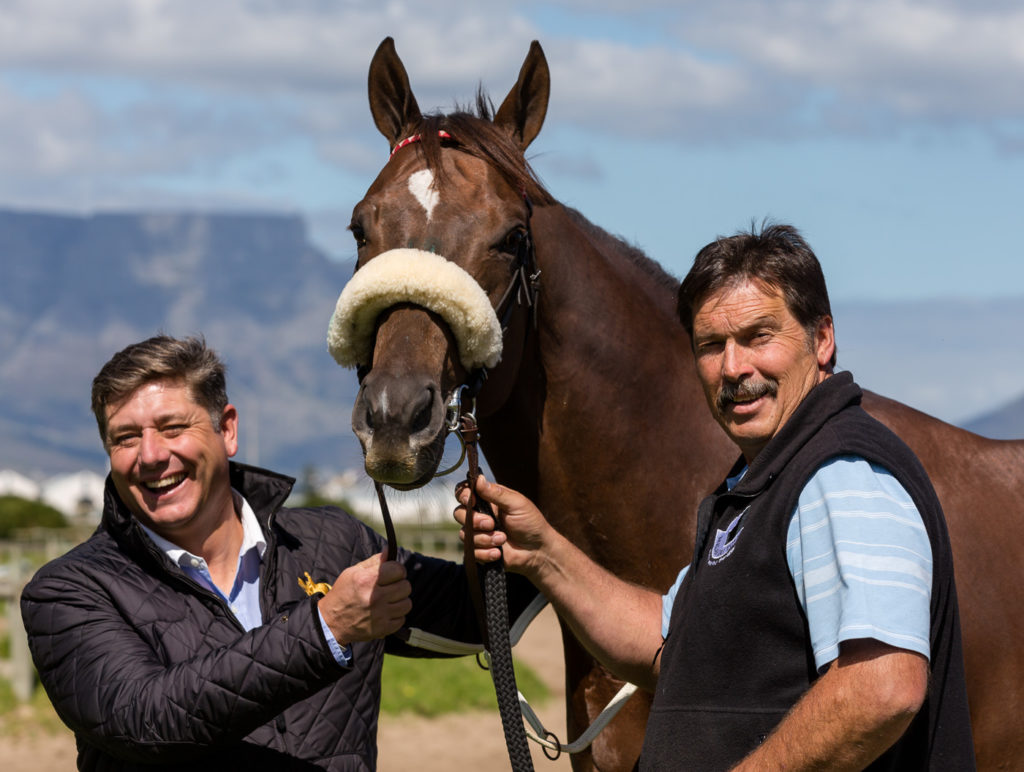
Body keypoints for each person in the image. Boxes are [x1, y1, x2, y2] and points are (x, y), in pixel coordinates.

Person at [456, 223, 975, 770]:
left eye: (758, 336)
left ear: (821, 339)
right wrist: (542, 553)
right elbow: (666, 643)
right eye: (711, 345)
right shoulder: (760, 482)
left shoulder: (842, 471)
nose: (733, 368)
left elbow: (882, 685)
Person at [21, 334, 530, 771]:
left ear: (228, 429)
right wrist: (325, 628)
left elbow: (476, 617)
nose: (151, 455)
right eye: (125, 438)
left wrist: (520, 546)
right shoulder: (66, 592)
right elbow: (147, 719)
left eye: (173, 427)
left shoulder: (335, 543)